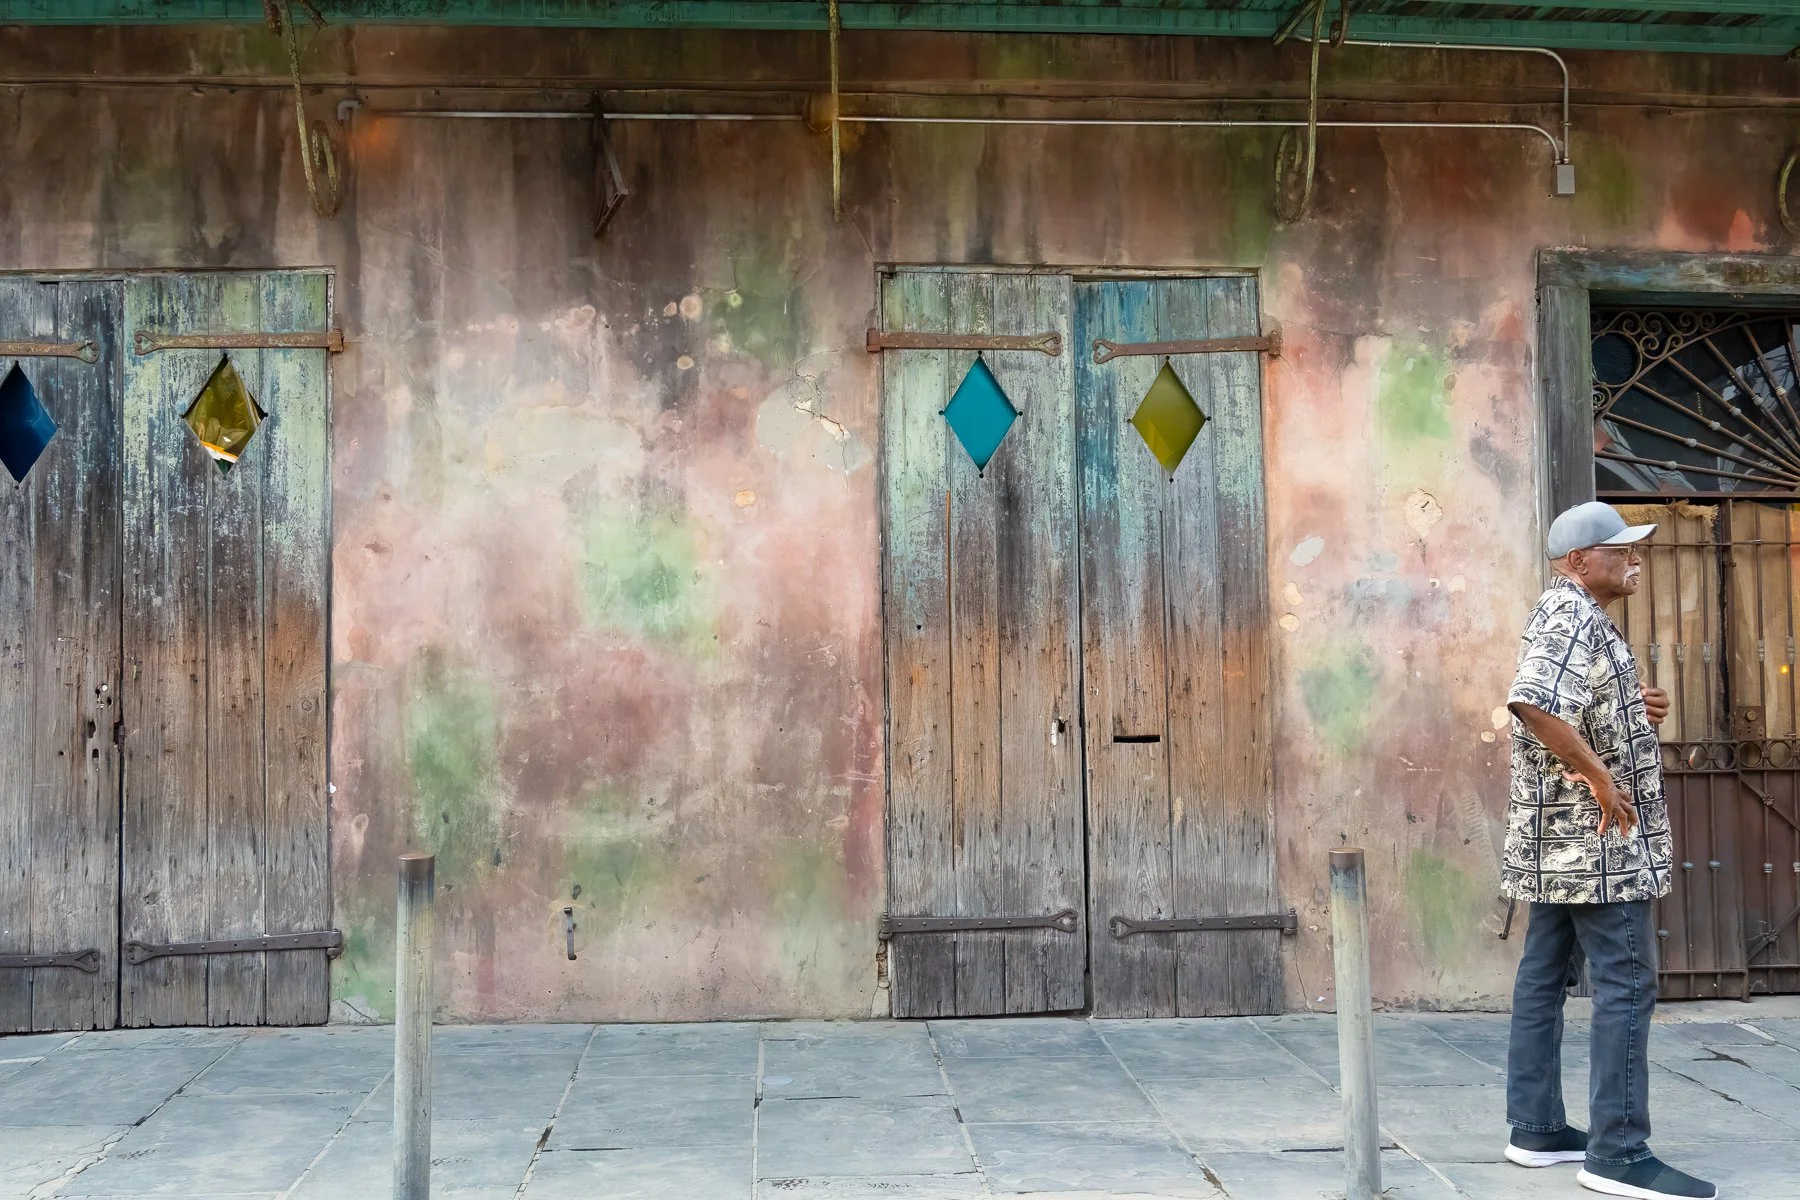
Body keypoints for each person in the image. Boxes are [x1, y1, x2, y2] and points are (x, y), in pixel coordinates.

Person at [1501, 501, 1716, 1200]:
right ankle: (1618, 1153)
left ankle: (1535, 1130)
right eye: (1620, 550)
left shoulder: (1577, 617)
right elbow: (1533, 704)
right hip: (1595, 845)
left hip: (1559, 844)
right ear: (1577, 562)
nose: (1634, 560)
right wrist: (1600, 778)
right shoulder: (1570, 615)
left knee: (1542, 977)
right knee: (1627, 983)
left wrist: (1631, 701)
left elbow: (1570, 699)